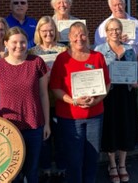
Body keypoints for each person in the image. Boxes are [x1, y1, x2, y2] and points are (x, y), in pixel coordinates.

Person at [0, 27, 51, 183]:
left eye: (22, 42)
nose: (19, 46)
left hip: (34, 125)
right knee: (11, 173)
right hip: (7, 128)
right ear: (6, 43)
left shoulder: (36, 63)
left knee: (32, 170)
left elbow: (43, 95)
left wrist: (47, 124)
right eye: (14, 42)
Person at [50, 22, 110, 183]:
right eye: (75, 34)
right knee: (73, 157)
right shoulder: (62, 59)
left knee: (92, 155)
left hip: (94, 115)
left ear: (87, 35)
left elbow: (107, 84)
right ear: (69, 37)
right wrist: (73, 101)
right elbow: (55, 88)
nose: (79, 38)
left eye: (82, 34)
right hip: (70, 117)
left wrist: (97, 99)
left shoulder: (97, 57)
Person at [95, 18, 138, 183]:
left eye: (117, 29)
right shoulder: (99, 51)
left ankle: (122, 164)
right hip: (109, 96)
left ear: (121, 31)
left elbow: (136, 74)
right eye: (111, 29)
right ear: (106, 33)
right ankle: (112, 164)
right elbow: (96, 75)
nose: (114, 32)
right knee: (111, 129)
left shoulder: (130, 51)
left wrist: (136, 81)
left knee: (125, 128)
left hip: (126, 95)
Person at [29, 16, 67, 182]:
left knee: (60, 136)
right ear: (39, 32)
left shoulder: (64, 50)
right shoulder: (32, 53)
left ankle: (61, 169)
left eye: (51, 30)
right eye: (44, 31)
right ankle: (44, 170)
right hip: (40, 101)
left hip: (60, 100)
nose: (48, 33)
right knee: (43, 137)